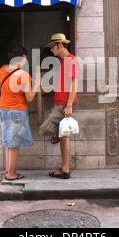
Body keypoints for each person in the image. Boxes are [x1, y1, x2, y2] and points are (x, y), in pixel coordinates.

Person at [0, 47, 40, 181]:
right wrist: (36, 84)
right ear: (22, 58)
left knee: (9, 143)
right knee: (14, 144)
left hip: (3, 110)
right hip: (16, 111)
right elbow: (29, 98)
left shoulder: (3, 69)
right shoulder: (23, 75)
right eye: (26, 57)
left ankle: (8, 169)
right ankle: (11, 174)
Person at [39, 33, 79, 180]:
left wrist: (68, 106)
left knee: (44, 129)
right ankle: (65, 169)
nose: (51, 50)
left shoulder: (71, 61)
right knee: (64, 136)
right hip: (60, 103)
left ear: (60, 45)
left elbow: (74, 84)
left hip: (63, 105)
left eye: (53, 47)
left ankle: (65, 167)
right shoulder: (63, 62)